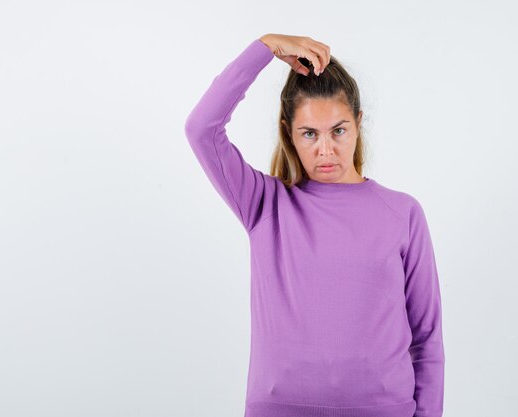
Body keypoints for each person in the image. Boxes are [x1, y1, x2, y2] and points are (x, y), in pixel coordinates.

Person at [184, 33, 445, 417]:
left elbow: (427, 340)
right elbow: (201, 129)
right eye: (309, 134)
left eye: (338, 130)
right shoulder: (263, 203)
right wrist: (266, 48)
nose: (326, 150)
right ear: (289, 131)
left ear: (358, 123)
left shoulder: (402, 213)